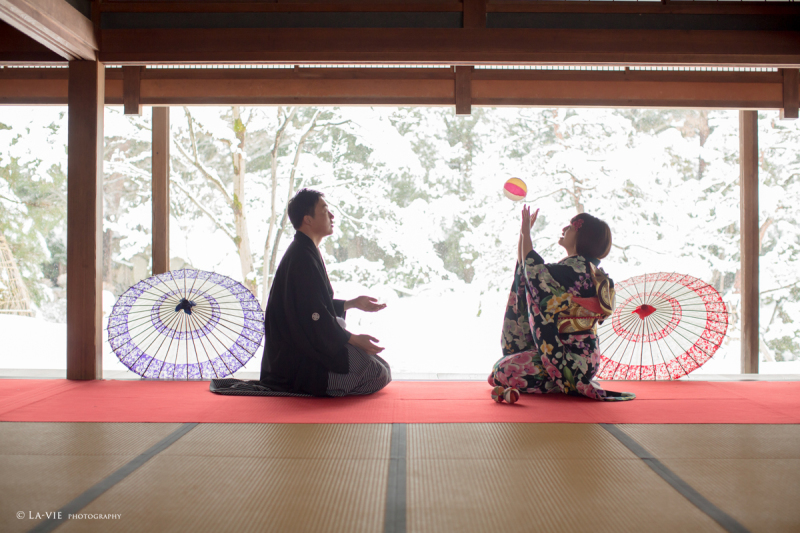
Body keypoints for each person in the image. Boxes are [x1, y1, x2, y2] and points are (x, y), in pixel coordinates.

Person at [488, 206, 635, 402]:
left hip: (570, 358)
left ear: (583, 237)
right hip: (580, 358)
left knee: (503, 370)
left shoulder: (576, 271)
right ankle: (560, 381)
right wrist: (523, 235)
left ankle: (563, 381)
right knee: (501, 369)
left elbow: (533, 271)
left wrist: (525, 233)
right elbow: (528, 269)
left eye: (572, 226)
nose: (565, 228)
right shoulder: (581, 270)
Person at [257, 188, 391, 397]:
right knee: (378, 373)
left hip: (305, 348)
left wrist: (352, 303)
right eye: (325, 210)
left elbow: (313, 307)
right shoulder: (301, 257)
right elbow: (314, 317)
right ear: (307, 219)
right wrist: (353, 338)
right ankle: (322, 387)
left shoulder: (305, 250)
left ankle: (335, 383)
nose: (332, 216)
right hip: (295, 363)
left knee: (380, 366)